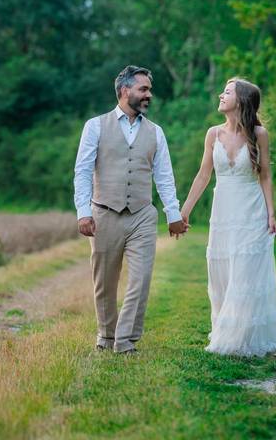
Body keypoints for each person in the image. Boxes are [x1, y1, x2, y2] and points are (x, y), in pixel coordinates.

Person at [73, 65, 188, 354]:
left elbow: (164, 176)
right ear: (125, 91)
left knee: (141, 278)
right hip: (103, 213)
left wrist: (173, 215)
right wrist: (83, 212)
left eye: (149, 89)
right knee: (105, 281)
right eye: (143, 89)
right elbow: (83, 171)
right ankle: (106, 334)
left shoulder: (156, 132)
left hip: (142, 215)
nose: (149, 94)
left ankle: (125, 340)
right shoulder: (95, 126)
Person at [179, 77, 276, 356]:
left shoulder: (259, 134)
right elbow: (204, 176)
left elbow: (265, 175)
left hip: (251, 211)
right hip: (223, 211)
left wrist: (271, 214)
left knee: (244, 271)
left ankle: (238, 338)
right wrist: (184, 211)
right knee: (223, 274)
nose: (220, 95)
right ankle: (225, 329)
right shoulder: (212, 134)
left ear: (240, 100)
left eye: (226, 92)